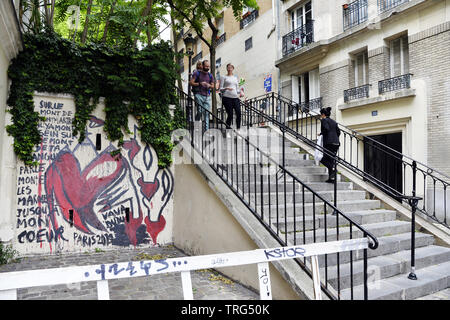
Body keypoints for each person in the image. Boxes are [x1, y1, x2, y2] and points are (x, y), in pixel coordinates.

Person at [219, 63, 244, 131]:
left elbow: (237, 89)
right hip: (226, 98)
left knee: (238, 113)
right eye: (228, 67)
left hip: (235, 98)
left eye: (231, 67)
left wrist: (241, 92)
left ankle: (238, 129)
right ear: (227, 69)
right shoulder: (223, 77)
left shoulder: (235, 78)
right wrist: (226, 88)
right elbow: (220, 89)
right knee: (230, 114)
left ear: (233, 68)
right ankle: (227, 130)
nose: (229, 68)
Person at [319, 107, 341, 183]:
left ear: (323, 114)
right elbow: (338, 132)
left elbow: (326, 129)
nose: (320, 116)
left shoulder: (324, 120)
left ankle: (333, 168)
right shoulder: (334, 122)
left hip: (328, 143)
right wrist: (335, 138)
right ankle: (331, 178)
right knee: (331, 160)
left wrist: (321, 134)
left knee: (323, 159)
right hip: (336, 143)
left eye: (321, 115)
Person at [192, 60, 215, 130]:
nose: (207, 67)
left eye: (208, 66)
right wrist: (200, 83)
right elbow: (191, 82)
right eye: (206, 66)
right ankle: (196, 123)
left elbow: (213, 85)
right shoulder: (196, 73)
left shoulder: (210, 75)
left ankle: (206, 130)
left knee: (206, 114)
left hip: (207, 96)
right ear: (202, 66)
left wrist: (209, 85)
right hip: (198, 94)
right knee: (200, 111)